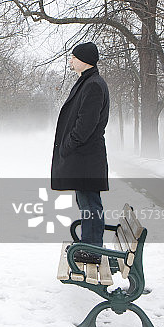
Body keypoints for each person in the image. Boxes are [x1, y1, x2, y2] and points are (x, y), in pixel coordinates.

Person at [51, 42, 110, 264]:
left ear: (84, 60)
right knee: (86, 203)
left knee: (90, 205)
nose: (71, 61)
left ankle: (92, 251)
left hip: (87, 158)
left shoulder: (93, 85)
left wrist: (68, 145)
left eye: (74, 57)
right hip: (84, 158)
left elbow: (86, 124)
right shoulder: (88, 82)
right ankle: (89, 246)